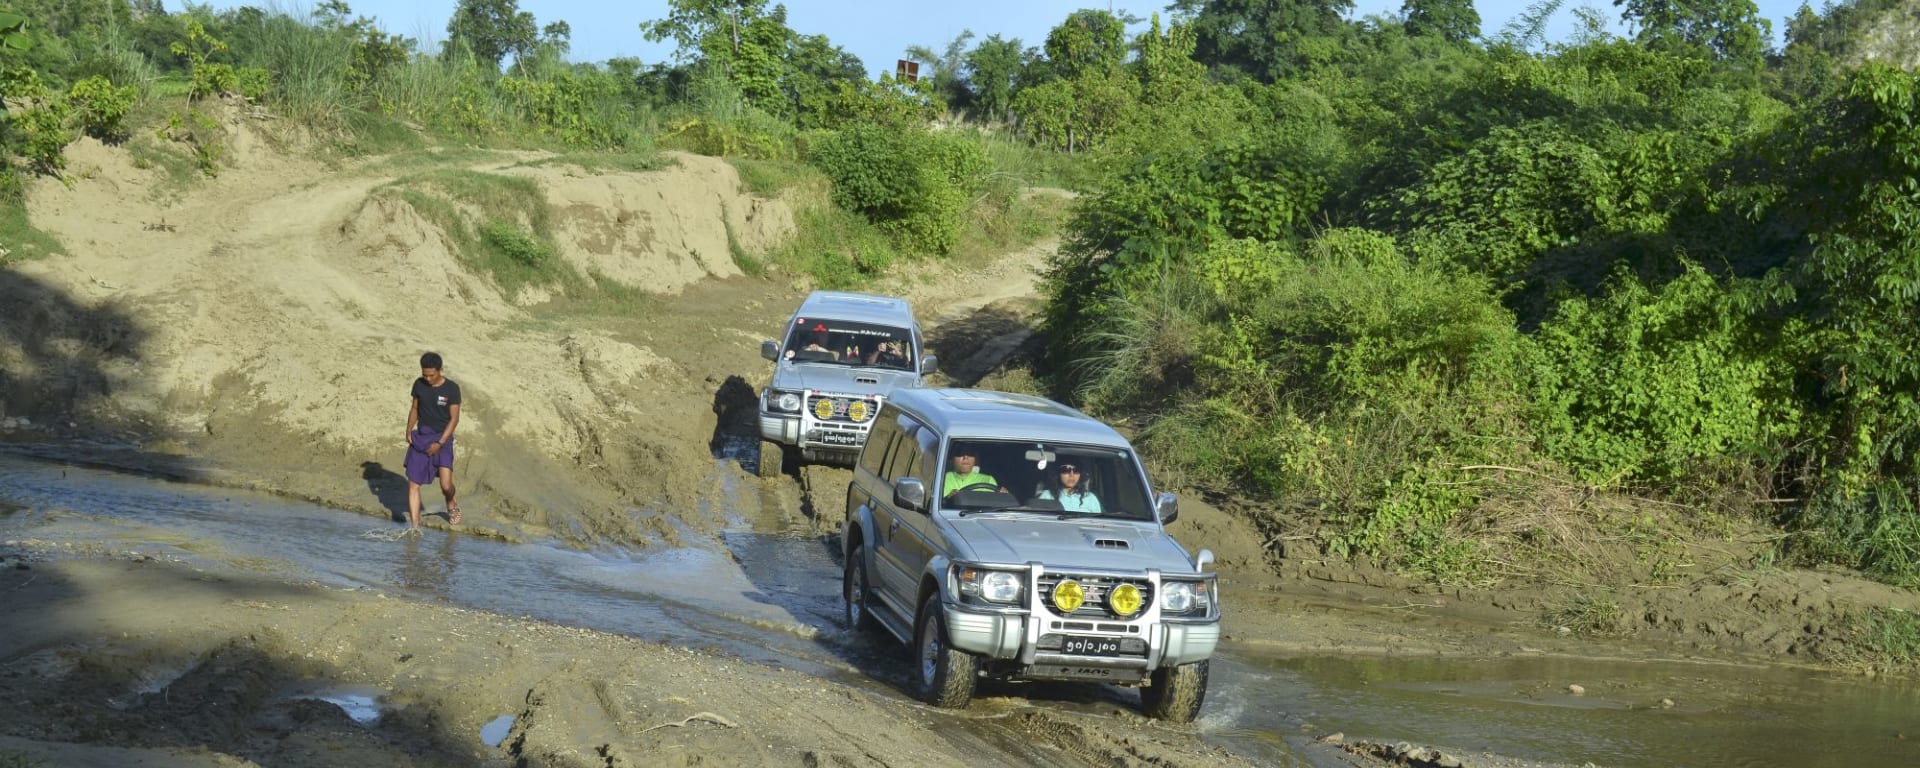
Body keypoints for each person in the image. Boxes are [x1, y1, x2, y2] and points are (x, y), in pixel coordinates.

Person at [404, 351, 462, 530]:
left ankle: (451, 502)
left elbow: (454, 419)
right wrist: (408, 430)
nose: (427, 378)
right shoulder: (419, 385)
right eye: (424, 374)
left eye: (431, 374)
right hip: (421, 437)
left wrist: (440, 443)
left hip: (442, 438)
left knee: (445, 485)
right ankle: (415, 528)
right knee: (413, 484)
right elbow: (415, 408)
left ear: (440, 370)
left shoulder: (452, 389)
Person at [1037, 462, 1102, 514]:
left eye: (1076, 470)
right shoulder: (1047, 495)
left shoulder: (1090, 498)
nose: (1071, 475)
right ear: (1058, 474)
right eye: (1066, 470)